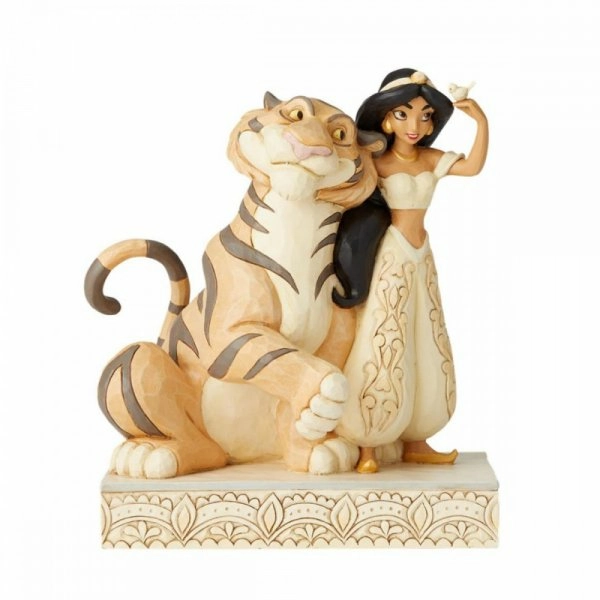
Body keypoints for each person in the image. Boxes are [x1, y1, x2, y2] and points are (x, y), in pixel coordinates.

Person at [333, 68, 489, 473]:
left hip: (422, 256)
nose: (414, 124)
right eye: (403, 114)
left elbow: (473, 166)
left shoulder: (431, 160)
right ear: (386, 119)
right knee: (384, 334)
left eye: (424, 115)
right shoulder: (376, 161)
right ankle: (369, 440)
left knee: (425, 334)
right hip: (392, 254)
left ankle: (416, 437)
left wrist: (481, 122)